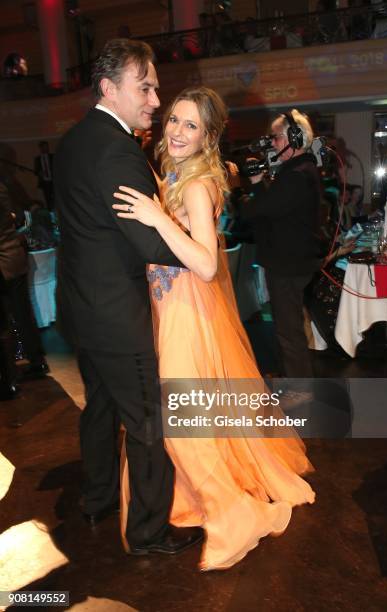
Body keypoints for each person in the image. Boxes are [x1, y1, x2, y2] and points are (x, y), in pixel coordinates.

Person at [113, 87, 315, 571]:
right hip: (167, 306)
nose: (178, 132)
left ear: (207, 137)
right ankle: (191, 494)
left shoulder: (198, 184)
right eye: (175, 121)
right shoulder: (175, 174)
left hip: (185, 309)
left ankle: (227, 506)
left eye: (191, 126)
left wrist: (157, 219)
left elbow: (205, 264)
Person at [53, 39, 202, 556]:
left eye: (156, 87)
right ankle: (148, 533)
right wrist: (198, 251)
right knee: (144, 423)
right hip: (117, 314)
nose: (157, 100)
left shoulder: (72, 142)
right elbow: (148, 240)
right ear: (109, 88)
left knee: (98, 409)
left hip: (80, 307)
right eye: (146, 87)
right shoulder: (117, 149)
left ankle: (96, 500)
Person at [242, 110, 321, 378]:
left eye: (276, 138)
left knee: (289, 332)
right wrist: (259, 183)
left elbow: (258, 210)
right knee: (290, 328)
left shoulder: (296, 175)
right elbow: (271, 208)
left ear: (295, 138)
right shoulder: (299, 171)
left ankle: (300, 390)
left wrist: (254, 185)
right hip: (291, 261)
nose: (272, 144)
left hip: (288, 264)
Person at [0, 184, 49, 400]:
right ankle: (35, 361)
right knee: (21, 315)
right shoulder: (3, 185)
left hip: (5, 264)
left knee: (7, 323)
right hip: (13, 258)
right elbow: (17, 216)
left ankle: (8, 378)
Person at [34, 141, 54, 211]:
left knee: (55, 199)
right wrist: (39, 173)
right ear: (41, 148)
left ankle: (58, 215)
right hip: (44, 182)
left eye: (47, 146)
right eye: (44, 147)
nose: (46, 148)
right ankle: (53, 218)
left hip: (53, 181)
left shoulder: (52, 156)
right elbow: (35, 171)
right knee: (48, 200)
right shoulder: (37, 159)